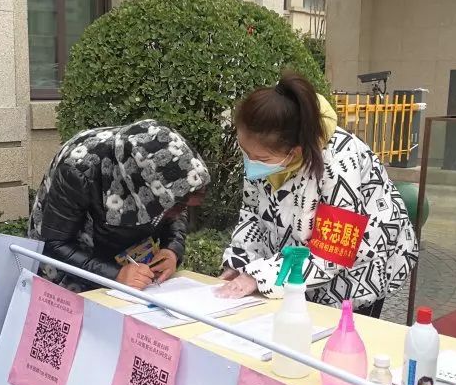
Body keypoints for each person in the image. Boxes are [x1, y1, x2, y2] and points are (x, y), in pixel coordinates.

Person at [217, 72, 418, 317]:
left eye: (261, 158)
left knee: (339, 336)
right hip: (297, 264)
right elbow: (251, 212)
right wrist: (240, 263)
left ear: (295, 152)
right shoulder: (261, 151)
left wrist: (259, 277)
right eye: (245, 152)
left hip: (356, 272)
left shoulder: (340, 162)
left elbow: (333, 252)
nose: (251, 162)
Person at [28, 120, 211, 291]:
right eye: (177, 205)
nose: (179, 211)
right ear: (145, 188)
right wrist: (115, 275)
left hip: (124, 261)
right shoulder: (77, 170)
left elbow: (174, 210)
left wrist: (171, 249)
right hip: (72, 260)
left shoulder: (168, 179)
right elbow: (56, 244)